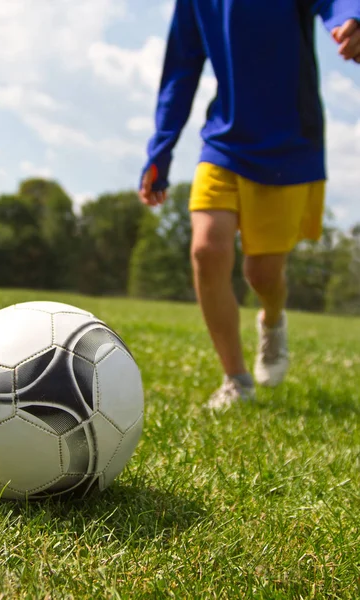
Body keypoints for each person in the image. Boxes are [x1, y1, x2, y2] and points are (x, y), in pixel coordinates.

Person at [139, 1, 360, 409]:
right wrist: (160, 149)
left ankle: (272, 320)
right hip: (224, 141)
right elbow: (181, 68)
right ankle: (236, 381)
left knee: (262, 273)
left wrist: (351, 18)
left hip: (289, 144)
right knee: (207, 249)